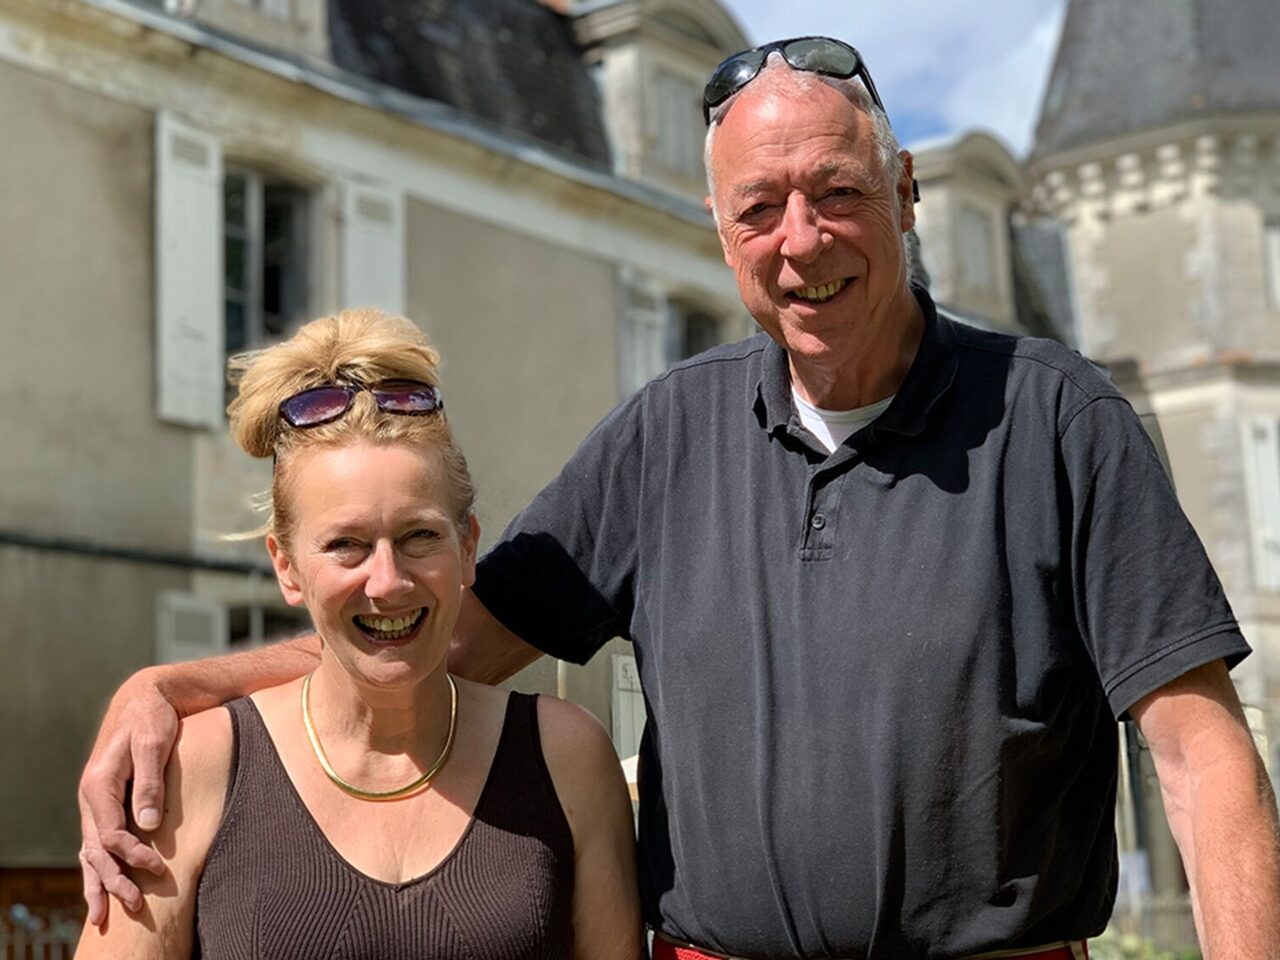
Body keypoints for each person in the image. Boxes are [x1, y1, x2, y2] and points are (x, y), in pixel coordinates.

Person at [80, 38, 1280, 959]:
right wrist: (181, 687)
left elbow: (1198, 758)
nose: (799, 240)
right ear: (720, 231)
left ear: (904, 191)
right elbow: (426, 635)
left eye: (834, 192)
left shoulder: (1055, 419)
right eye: (758, 208)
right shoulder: (667, 436)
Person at [75, 310, 642, 959]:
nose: (387, 582)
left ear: (467, 548)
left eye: (419, 536)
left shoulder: (566, 758)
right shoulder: (191, 769)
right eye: (346, 545)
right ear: (286, 567)